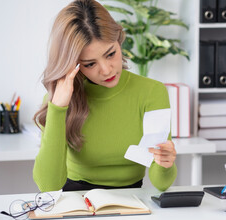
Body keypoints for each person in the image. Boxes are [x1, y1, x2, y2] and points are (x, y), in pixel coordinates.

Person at [33, 0, 177, 192]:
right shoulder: (61, 100)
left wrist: (166, 164)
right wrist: (58, 108)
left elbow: (161, 183)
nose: (106, 70)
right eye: (90, 64)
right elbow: (48, 186)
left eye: (110, 54)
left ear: (119, 40)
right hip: (77, 199)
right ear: (73, 65)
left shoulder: (152, 92)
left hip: (131, 199)